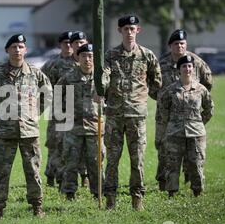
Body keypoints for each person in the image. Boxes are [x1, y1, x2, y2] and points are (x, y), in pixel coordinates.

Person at [0, 34, 52, 218]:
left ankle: (37, 207)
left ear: (25, 50)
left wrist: (36, 112)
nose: (17, 50)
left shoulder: (35, 73)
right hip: (6, 133)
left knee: (33, 171)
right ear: (7, 50)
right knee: (2, 173)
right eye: (13, 47)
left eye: (20, 46)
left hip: (30, 132)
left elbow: (48, 93)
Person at [101, 15, 162, 210]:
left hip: (137, 116)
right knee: (112, 160)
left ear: (138, 30)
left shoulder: (147, 55)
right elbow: (104, 77)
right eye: (125, 28)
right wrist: (101, 88)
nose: (129, 32)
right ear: (120, 31)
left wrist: (142, 97)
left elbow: (157, 82)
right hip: (114, 117)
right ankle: (110, 199)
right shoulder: (110, 55)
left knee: (137, 161)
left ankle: (137, 199)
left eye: (132, 28)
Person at [153, 29, 213, 191]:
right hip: (164, 115)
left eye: (182, 43)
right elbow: (152, 86)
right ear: (170, 46)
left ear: (186, 44)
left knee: (192, 150)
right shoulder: (162, 63)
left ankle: (190, 179)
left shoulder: (197, 62)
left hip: (190, 116)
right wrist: (163, 100)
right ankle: (163, 182)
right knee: (164, 148)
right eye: (176, 44)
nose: (179, 46)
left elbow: (207, 84)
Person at [56, 43, 106, 200]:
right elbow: (57, 96)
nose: (88, 59)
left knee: (96, 162)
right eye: (84, 56)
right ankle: (69, 193)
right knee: (70, 161)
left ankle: (98, 193)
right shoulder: (69, 77)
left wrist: (104, 101)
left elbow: (112, 95)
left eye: (91, 56)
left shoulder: (102, 78)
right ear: (78, 57)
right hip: (73, 127)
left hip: (95, 127)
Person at [40, 31, 74, 188]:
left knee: (75, 144)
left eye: (70, 42)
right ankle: (51, 175)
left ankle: (81, 176)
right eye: (65, 43)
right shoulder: (52, 64)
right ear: (60, 45)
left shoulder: (82, 62)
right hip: (58, 110)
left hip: (78, 111)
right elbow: (42, 86)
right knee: (55, 144)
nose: (68, 45)